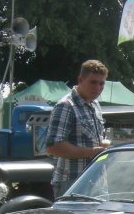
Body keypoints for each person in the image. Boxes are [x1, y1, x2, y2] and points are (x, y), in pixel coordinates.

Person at [45, 60, 109, 198]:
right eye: (93, 82)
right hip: (72, 182)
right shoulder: (66, 105)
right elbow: (53, 146)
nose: (98, 87)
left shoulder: (95, 105)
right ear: (80, 80)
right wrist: (91, 152)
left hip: (96, 180)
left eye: (102, 83)